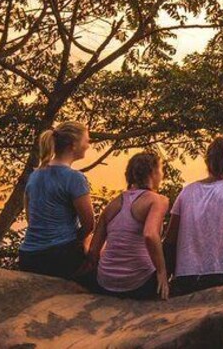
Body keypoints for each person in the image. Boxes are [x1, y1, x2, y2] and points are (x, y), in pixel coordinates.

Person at [164, 135, 223, 296]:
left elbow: (170, 239)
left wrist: (166, 275)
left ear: (207, 161)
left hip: (187, 276)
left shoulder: (187, 191)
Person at [19, 121, 95, 280]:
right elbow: (89, 225)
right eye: (86, 140)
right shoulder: (74, 178)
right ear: (73, 145)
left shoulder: (35, 176)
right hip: (59, 258)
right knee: (96, 240)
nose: (89, 144)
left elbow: (30, 219)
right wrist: (81, 241)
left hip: (28, 257)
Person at [89, 152, 170, 300]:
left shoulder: (112, 204)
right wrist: (162, 272)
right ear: (152, 172)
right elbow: (150, 234)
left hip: (105, 283)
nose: (162, 175)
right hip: (138, 283)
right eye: (161, 170)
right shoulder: (158, 200)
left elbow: (94, 250)